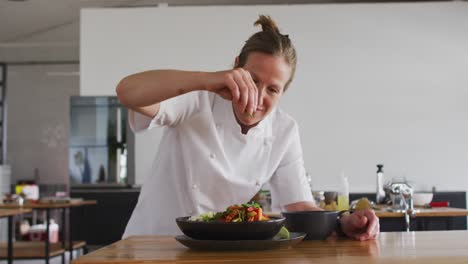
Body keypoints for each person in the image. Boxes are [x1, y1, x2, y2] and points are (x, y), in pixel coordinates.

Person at [116, 15, 379, 241]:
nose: (257, 96)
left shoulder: (284, 130)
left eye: (273, 89)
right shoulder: (198, 99)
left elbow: (299, 205)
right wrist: (206, 79)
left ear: (283, 93)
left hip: (215, 249)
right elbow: (127, 92)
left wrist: (343, 221)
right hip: (152, 243)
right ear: (235, 68)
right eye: (252, 80)